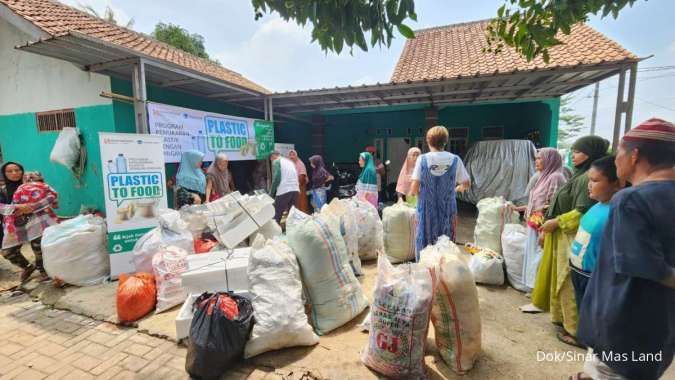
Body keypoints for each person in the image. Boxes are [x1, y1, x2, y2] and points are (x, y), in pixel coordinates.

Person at [576, 118, 675, 380]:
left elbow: (647, 266)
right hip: (662, 328)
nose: (615, 158)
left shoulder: (632, 199)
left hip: (623, 328)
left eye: (619, 151)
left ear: (635, 155)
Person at [527, 135, 609, 347]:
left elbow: (581, 211)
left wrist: (556, 222)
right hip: (559, 232)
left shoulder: (584, 179)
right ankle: (561, 319)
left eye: (578, 151)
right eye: (572, 150)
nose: (573, 155)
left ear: (591, 153)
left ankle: (575, 329)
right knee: (559, 278)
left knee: (567, 281)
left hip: (570, 235)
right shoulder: (578, 175)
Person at [409, 126, 470, 260]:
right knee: (446, 242)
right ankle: (446, 273)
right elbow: (466, 183)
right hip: (448, 209)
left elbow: (414, 188)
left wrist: (415, 194)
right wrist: (456, 189)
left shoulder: (422, 159)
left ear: (428, 141)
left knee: (425, 240)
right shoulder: (455, 159)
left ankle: (427, 272)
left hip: (426, 210)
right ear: (445, 141)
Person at [569, 156, 621, 312]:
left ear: (617, 184)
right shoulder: (597, 206)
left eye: (595, 181)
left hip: (593, 278)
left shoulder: (616, 213)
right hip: (578, 271)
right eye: (589, 180)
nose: (589, 185)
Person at [513, 148, 567, 293]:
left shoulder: (556, 177)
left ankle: (539, 290)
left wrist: (544, 230)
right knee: (532, 255)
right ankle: (533, 288)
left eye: (540, 158)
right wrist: (517, 209)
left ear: (550, 160)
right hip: (534, 223)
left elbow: (552, 206)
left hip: (543, 226)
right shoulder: (543, 176)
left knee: (539, 257)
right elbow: (536, 203)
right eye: (536, 158)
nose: (536, 161)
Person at [0, 166, 58, 282]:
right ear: (4, 174)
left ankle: (43, 270)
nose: (14, 173)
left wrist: (32, 207)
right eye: (9, 171)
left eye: (17, 170)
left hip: (39, 219)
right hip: (14, 223)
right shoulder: (2, 190)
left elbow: (51, 196)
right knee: (8, 252)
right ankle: (27, 267)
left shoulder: (33, 181)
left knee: (38, 246)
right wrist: (16, 207)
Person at [270, 151, 300, 223]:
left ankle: (275, 232)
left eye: (270, 159)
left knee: (276, 214)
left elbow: (276, 178)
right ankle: (292, 232)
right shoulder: (290, 162)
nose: (271, 161)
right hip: (295, 190)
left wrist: (271, 192)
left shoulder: (276, 161)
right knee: (292, 215)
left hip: (284, 190)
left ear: (273, 156)